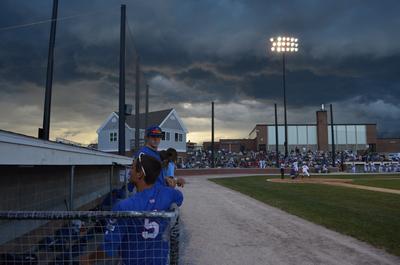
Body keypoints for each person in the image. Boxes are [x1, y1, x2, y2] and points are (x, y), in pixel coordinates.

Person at [81, 153, 183, 265]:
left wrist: (90, 259)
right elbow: (179, 197)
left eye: (133, 168)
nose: (130, 171)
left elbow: (108, 247)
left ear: (140, 174)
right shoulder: (168, 194)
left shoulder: (124, 206)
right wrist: (170, 188)